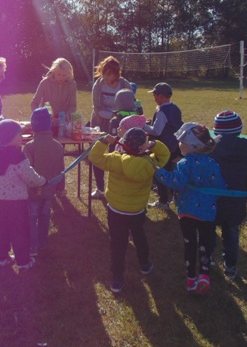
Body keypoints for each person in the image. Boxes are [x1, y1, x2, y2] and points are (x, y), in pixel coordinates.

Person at [89, 127, 170, 293]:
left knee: (117, 244)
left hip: (116, 211)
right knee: (139, 237)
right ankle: (145, 264)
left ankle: (117, 279)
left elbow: (94, 157)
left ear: (124, 143)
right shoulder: (151, 163)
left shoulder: (115, 160)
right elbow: (165, 155)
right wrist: (153, 144)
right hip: (137, 210)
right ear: (143, 146)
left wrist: (103, 142)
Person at [155, 123, 227, 294]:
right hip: (207, 211)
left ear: (190, 146)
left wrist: (159, 172)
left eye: (182, 142)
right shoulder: (213, 163)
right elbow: (220, 187)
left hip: (187, 211)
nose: (179, 144)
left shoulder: (185, 163)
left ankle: (191, 278)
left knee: (190, 243)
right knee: (205, 243)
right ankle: (204, 274)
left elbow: (177, 182)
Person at [209, 110, 247, 280]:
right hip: (236, 200)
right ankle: (230, 266)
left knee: (209, 230)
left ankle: (208, 258)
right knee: (231, 233)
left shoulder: (211, 148)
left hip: (213, 199)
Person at [0, 119, 46, 272]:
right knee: (20, 232)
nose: (22, 136)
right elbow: (30, 177)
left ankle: (1, 258)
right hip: (16, 203)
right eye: (19, 134)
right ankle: (23, 261)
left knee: (2, 230)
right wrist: (43, 181)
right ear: (11, 137)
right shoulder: (18, 156)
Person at [24, 108, 65, 257]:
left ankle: (33, 246)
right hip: (49, 190)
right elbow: (61, 170)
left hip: (33, 191)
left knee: (32, 217)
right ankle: (42, 242)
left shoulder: (30, 146)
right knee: (45, 216)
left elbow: (26, 170)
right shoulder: (58, 146)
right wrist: (60, 188)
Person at [90, 56, 132, 198]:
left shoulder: (125, 84)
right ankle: (100, 188)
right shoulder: (98, 84)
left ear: (116, 73)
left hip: (120, 124)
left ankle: (116, 188)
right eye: (103, 73)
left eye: (109, 74)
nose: (105, 77)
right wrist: (111, 116)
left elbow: (130, 105)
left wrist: (118, 119)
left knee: (117, 155)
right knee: (98, 152)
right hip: (100, 122)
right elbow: (97, 108)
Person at [143, 82, 183, 209]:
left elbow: (156, 131)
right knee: (172, 172)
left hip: (163, 147)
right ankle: (175, 198)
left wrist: (143, 126)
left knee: (160, 173)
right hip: (174, 145)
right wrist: (152, 122)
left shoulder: (161, 111)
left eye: (155, 95)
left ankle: (163, 201)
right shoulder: (175, 108)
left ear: (160, 96)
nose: (154, 98)